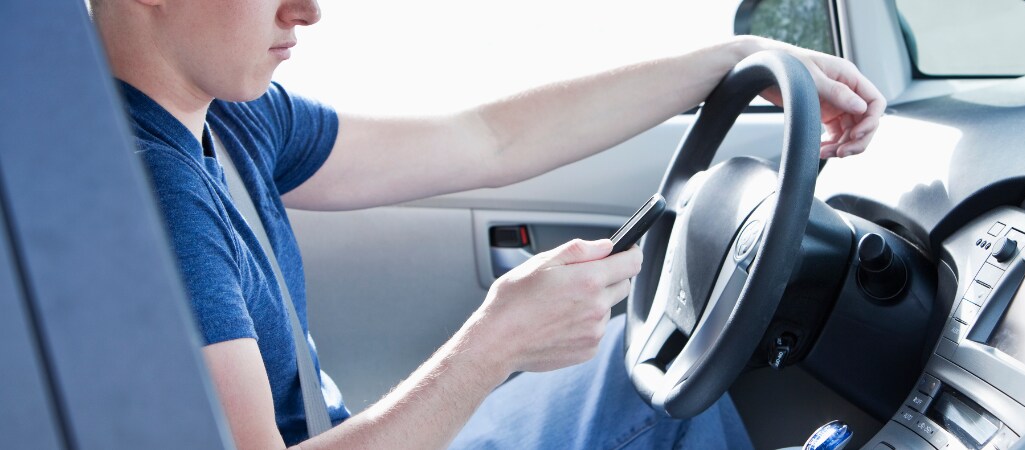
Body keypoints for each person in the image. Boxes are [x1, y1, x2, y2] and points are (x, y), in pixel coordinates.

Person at [89, 0, 886, 448]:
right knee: (667, 396)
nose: (310, 8)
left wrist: (726, 61)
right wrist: (490, 348)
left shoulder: (231, 122)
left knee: (641, 361)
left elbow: (487, 140)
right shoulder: (145, 198)